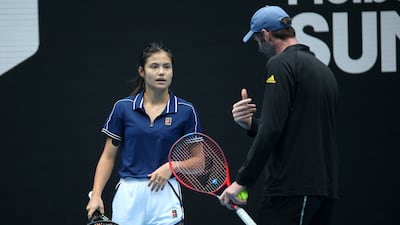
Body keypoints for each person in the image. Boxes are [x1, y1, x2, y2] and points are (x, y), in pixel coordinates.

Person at [219, 5, 339, 225]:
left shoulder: (279, 65)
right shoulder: (324, 71)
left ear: (266, 35)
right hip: (323, 193)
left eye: (256, 39)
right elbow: (294, 129)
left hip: (292, 192)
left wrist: (242, 181)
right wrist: (251, 125)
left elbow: (272, 129)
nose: (257, 47)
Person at [86, 41, 202, 225]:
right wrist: (96, 195)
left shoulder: (186, 110)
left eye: (166, 67)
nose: (161, 72)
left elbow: (199, 162)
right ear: (142, 71)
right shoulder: (122, 108)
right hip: (128, 195)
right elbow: (108, 156)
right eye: (154, 67)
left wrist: (171, 167)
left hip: (166, 193)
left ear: (172, 71)